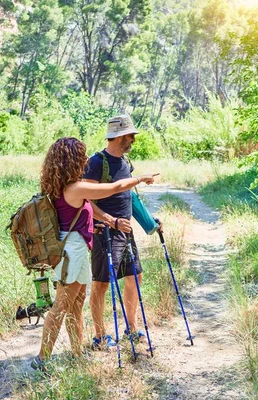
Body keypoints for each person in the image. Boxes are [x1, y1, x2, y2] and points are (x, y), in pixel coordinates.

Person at [32, 136, 156, 370]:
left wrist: (98, 223)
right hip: (72, 253)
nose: (85, 160)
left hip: (74, 249)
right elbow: (115, 187)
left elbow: (72, 219)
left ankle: (77, 353)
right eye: (81, 156)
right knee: (61, 306)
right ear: (71, 160)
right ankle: (42, 359)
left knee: (76, 305)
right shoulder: (75, 187)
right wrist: (139, 179)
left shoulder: (62, 187)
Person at [84, 114, 161, 350]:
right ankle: (100, 336)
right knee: (101, 284)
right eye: (130, 135)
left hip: (125, 231)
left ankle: (131, 327)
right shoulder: (96, 163)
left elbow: (130, 197)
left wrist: (150, 222)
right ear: (118, 136)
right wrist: (110, 221)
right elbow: (86, 199)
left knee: (134, 277)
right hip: (104, 232)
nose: (133, 140)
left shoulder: (126, 163)